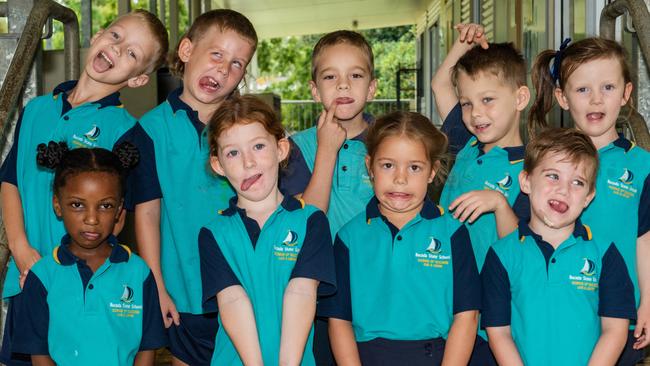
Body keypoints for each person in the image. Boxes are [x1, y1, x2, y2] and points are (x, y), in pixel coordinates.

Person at [0, 10, 168, 365]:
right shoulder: (36, 109)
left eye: (133, 54)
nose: (118, 50)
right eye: (117, 37)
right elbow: (11, 181)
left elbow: (140, 215)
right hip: (30, 277)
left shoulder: (128, 133)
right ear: (100, 34)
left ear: (138, 80)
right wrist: (19, 247)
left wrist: (155, 284)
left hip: (90, 292)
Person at [123, 9, 258, 365]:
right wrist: (157, 287)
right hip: (185, 291)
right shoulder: (149, 131)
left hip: (250, 286)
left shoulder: (249, 129)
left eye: (237, 64)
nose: (223, 69)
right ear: (186, 51)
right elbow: (148, 214)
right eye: (216, 54)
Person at [318, 111, 481, 365]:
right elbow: (339, 321)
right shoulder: (349, 237)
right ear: (370, 167)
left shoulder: (453, 233)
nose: (400, 178)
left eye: (414, 167)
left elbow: (467, 316)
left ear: (432, 172)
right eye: (388, 165)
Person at [529, 37, 650, 364]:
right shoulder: (546, 161)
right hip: (555, 308)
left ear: (626, 94)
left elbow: (645, 240)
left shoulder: (641, 166)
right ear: (562, 98)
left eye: (608, 87)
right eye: (582, 90)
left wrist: (648, 302)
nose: (596, 100)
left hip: (616, 312)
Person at [199, 95, 336, 365]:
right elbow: (231, 301)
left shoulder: (311, 221)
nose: (248, 162)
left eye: (258, 146)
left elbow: (301, 292)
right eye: (233, 153)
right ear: (218, 165)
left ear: (281, 149)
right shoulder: (213, 233)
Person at [481, 127, 636, 365]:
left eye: (577, 182)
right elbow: (498, 333)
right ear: (526, 181)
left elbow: (615, 330)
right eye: (553, 176)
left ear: (588, 196)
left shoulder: (605, 255)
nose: (564, 190)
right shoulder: (501, 255)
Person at [9, 142, 166, 366]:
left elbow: (147, 349)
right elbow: (39, 355)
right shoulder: (42, 276)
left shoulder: (138, 273)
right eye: (77, 205)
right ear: (57, 205)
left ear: (120, 209)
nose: (91, 219)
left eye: (105, 206)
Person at [430, 23, 529, 363]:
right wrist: (461, 45)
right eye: (467, 103)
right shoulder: (465, 143)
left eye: (488, 100)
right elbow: (439, 83)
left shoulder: (532, 170)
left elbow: (522, 250)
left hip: (490, 319)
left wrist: (500, 205)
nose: (476, 114)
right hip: (444, 300)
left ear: (520, 98)